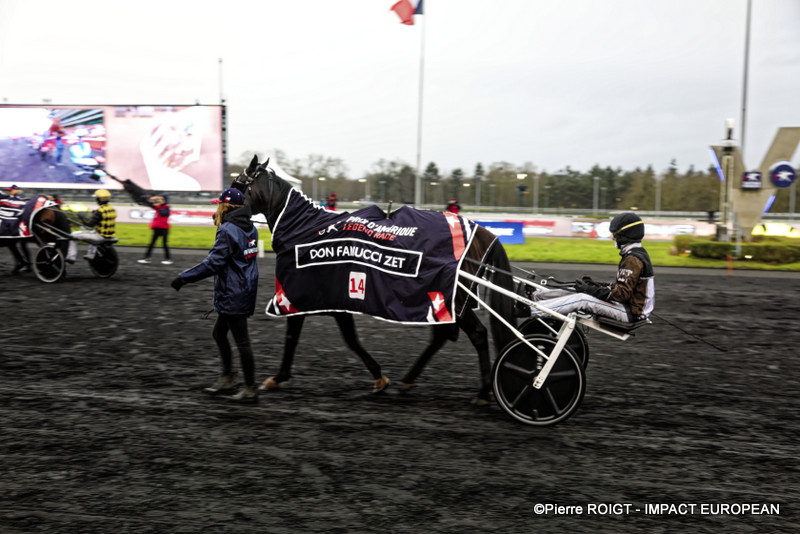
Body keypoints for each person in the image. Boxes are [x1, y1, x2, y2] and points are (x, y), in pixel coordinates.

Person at [170, 187, 260, 403]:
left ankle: (249, 389)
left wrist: (184, 278)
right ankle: (228, 379)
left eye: (219, 204)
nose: (217, 207)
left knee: (242, 342)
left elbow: (213, 263)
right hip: (245, 289)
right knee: (219, 334)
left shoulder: (228, 229)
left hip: (233, 292)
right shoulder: (251, 228)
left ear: (225, 206)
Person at [529, 212, 654, 323]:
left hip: (631, 313)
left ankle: (531, 310)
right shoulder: (635, 254)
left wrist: (589, 289)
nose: (613, 238)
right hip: (626, 306)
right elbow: (621, 288)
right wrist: (596, 285)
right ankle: (535, 297)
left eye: (615, 234)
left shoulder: (633, 259)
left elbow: (621, 294)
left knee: (583, 299)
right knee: (577, 290)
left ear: (624, 235)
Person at [66, 189, 117, 263]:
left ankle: (71, 257)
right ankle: (90, 255)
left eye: (97, 198)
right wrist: (94, 214)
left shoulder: (100, 211)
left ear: (100, 199)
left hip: (100, 237)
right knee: (92, 233)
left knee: (73, 235)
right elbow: (102, 218)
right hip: (110, 235)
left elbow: (89, 225)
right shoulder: (112, 209)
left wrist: (82, 218)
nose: (96, 200)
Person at [138, 194, 172, 265]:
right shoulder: (158, 206)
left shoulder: (166, 207)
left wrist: (157, 206)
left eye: (161, 199)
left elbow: (164, 213)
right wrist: (149, 199)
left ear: (164, 200)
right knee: (152, 244)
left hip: (164, 229)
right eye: (159, 199)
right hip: (157, 228)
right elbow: (147, 203)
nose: (159, 200)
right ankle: (147, 258)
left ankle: (168, 259)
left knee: (164, 244)